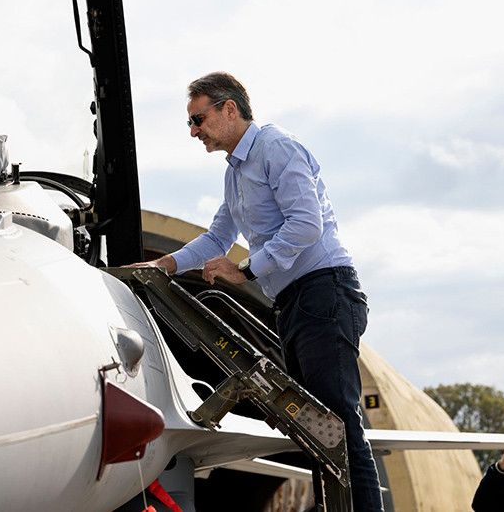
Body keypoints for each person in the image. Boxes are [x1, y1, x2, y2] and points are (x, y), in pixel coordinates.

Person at [128, 72, 383, 511]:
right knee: (316, 431)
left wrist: (244, 270)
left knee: (337, 429)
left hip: (323, 292)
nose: (194, 132)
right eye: (190, 123)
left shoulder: (275, 146)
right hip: (295, 302)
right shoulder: (235, 174)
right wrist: (162, 265)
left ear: (229, 109)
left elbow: (306, 224)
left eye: (197, 119)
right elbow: (217, 238)